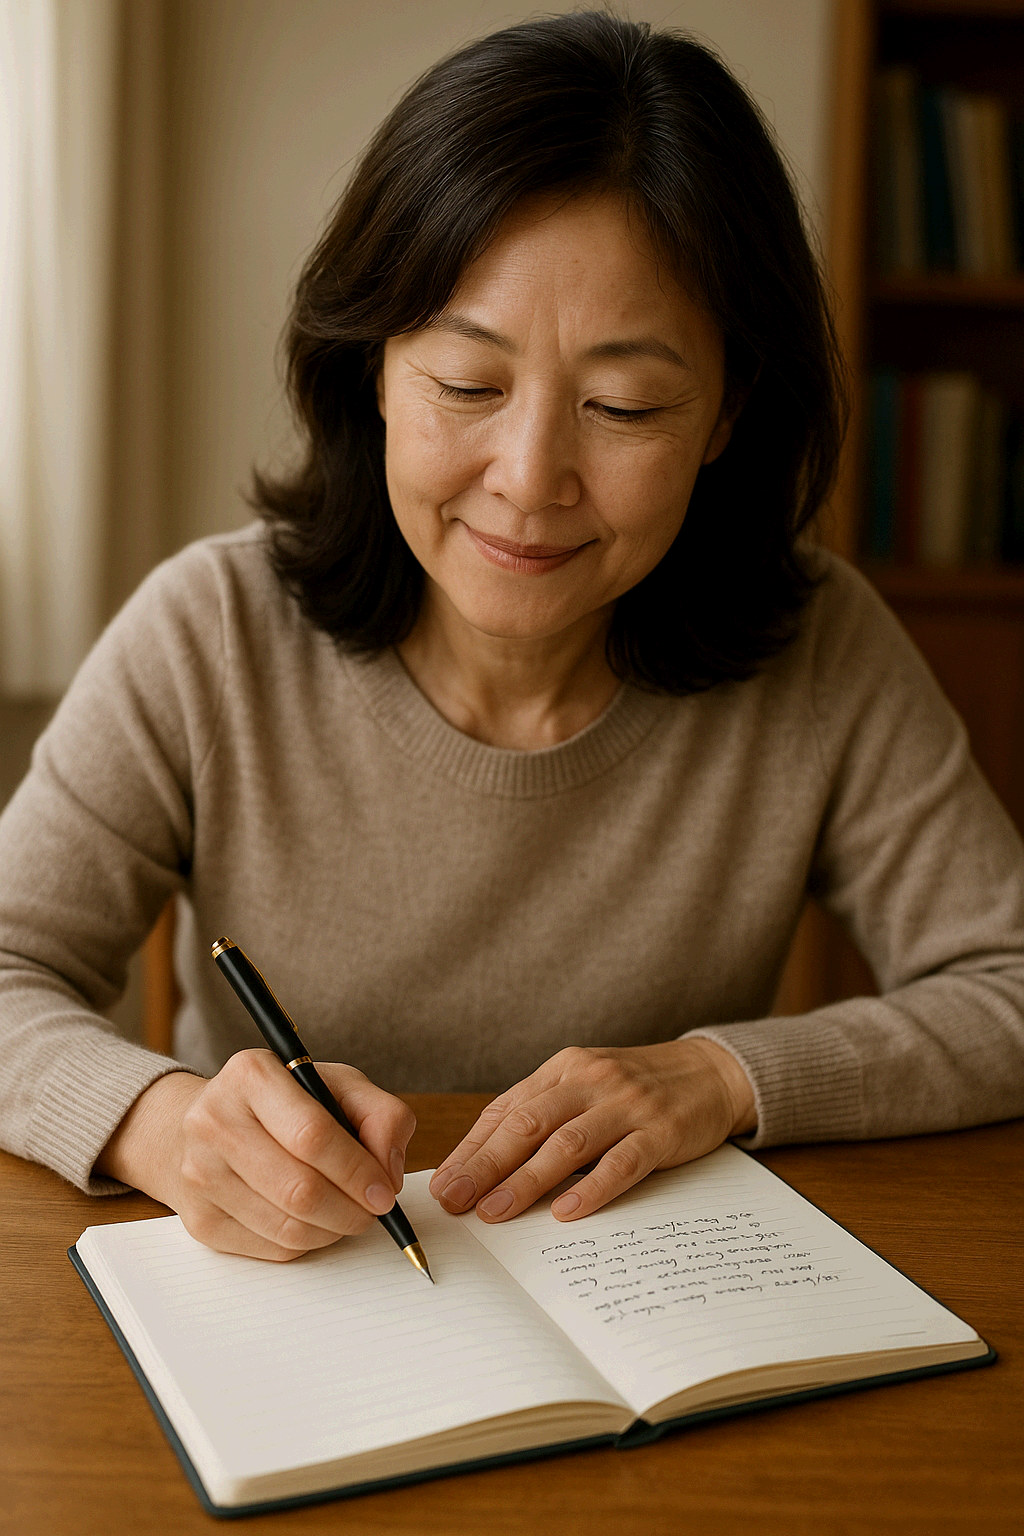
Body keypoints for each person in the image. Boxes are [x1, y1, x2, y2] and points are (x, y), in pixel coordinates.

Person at [1, 12, 1023, 1264]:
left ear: (725, 415)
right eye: (468, 386)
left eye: (624, 405)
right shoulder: (208, 634)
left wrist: (721, 1076)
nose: (531, 479)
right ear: (373, 370)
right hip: (292, 1299)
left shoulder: (821, 650)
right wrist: (160, 1124)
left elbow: (1009, 987)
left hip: (663, 1314)